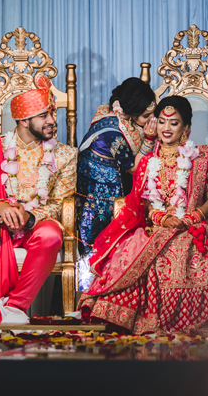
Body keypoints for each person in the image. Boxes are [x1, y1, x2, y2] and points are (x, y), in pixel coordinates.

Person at [78, 95, 208, 337]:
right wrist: (162, 219)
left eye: (174, 123)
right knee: (133, 255)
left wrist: (191, 218)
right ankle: (133, 320)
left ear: (186, 128)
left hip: (194, 224)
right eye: (162, 121)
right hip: (157, 226)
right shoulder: (147, 161)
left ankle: (203, 324)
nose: (166, 128)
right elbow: (144, 204)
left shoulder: (200, 157)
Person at [0, 74, 77, 337]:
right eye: (44, 116)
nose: (52, 121)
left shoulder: (65, 156)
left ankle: (9, 309)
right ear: (23, 121)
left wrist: (29, 216)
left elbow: (59, 203)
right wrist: (1, 207)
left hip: (34, 227)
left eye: (51, 114)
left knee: (52, 233)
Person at [75, 78, 157, 291]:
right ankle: (93, 293)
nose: (152, 120)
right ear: (130, 112)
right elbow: (132, 168)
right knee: (100, 241)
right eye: (146, 116)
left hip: (111, 181)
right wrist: (148, 139)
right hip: (97, 190)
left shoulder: (119, 116)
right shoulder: (114, 131)